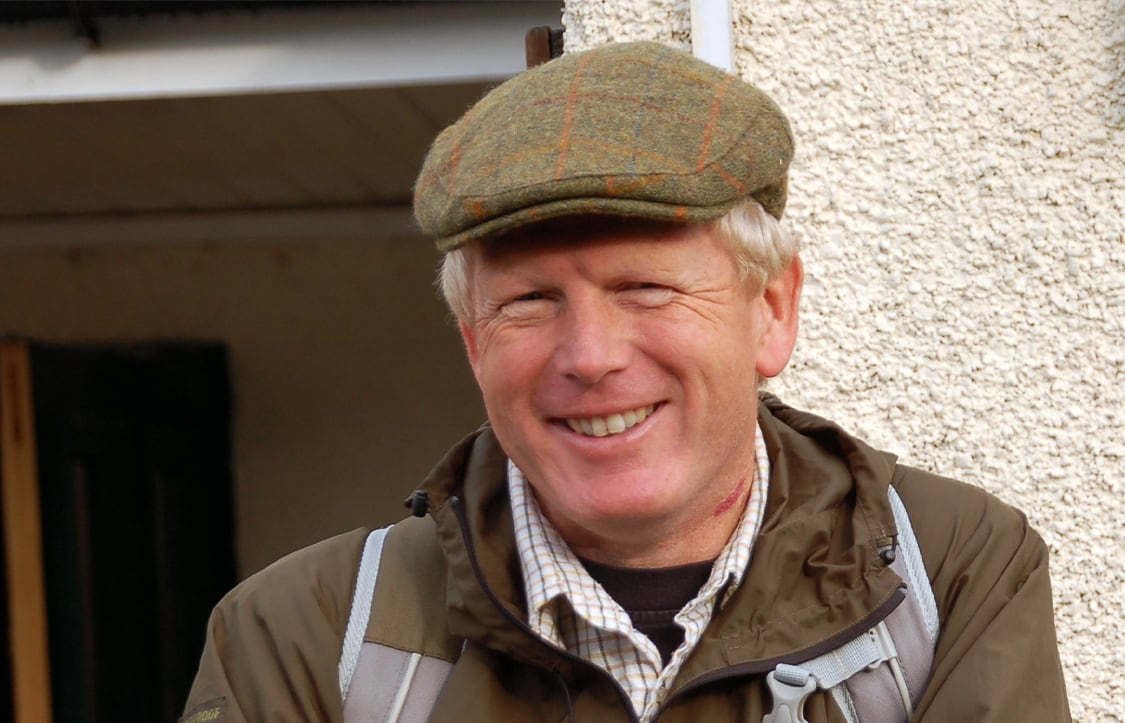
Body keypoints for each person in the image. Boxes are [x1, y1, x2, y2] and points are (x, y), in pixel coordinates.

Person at [182, 41, 1071, 722]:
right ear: (472, 340)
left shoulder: (946, 576)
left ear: (772, 308)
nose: (591, 355)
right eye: (530, 301)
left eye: (644, 288)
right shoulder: (306, 635)